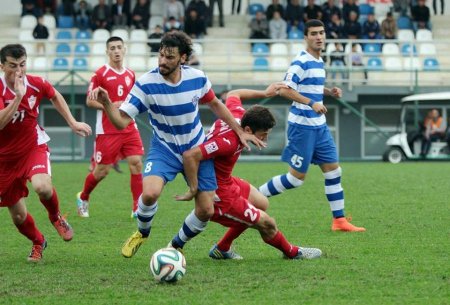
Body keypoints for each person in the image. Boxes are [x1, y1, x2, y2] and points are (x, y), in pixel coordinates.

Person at [89, 31, 263, 258]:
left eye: (169, 57)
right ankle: (142, 232)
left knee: (206, 210)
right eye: (161, 55)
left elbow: (216, 104)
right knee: (150, 194)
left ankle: (175, 246)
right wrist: (107, 103)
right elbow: (121, 121)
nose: (162, 61)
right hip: (165, 149)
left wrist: (239, 130)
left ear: (183, 58)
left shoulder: (197, 78)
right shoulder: (145, 84)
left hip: (197, 149)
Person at [175, 84, 322, 261]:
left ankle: (222, 248)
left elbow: (234, 93)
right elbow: (191, 155)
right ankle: (292, 252)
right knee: (267, 224)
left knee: (261, 202)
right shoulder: (228, 141)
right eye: (263, 134)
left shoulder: (237, 115)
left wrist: (264, 93)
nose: (265, 139)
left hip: (227, 180)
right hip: (219, 192)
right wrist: (194, 188)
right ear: (248, 131)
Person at [258, 20, 366, 232]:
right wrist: (311, 103)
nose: (319, 36)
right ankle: (252, 196)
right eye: (314, 33)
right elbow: (284, 90)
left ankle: (339, 221)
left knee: (334, 171)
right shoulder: (300, 62)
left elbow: (311, 86)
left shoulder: (318, 60)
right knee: (295, 179)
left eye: (322, 32)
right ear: (305, 37)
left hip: (320, 127)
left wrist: (327, 92)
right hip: (302, 127)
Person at [0, 44, 92, 261]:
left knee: (42, 187)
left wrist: (72, 122)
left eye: (22, 65)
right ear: (2, 66)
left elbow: (54, 95)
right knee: (19, 216)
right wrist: (17, 98)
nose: (19, 71)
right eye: (12, 66)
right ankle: (38, 241)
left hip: (33, 147)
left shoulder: (35, 82)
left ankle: (56, 217)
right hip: (4, 160)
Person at [76, 37, 144, 218]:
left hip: (129, 126)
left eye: (119, 47)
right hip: (108, 130)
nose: (116, 51)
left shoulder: (131, 74)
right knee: (102, 171)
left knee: (136, 163)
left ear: (124, 50)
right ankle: (83, 197)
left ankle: (137, 207)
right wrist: (111, 106)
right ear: (107, 52)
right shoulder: (100, 74)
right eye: (112, 48)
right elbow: (90, 101)